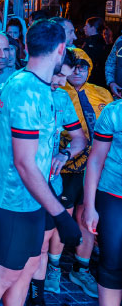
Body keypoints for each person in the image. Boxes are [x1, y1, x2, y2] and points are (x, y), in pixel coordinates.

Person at [0, 20, 83, 306]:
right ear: (61, 49)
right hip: (14, 200)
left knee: (26, 271)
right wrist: (60, 214)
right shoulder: (26, 89)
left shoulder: (33, 83)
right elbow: (24, 163)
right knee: (2, 276)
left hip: (30, 198)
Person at [44, 49, 109, 298]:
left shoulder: (102, 93)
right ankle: (53, 267)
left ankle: (81, 270)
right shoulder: (58, 92)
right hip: (68, 167)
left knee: (88, 219)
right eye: (76, 65)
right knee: (65, 215)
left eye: (84, 65)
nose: (80, 70)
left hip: (98, 168)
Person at [27, 48, 87, 305]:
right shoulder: (21, 90)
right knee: (14, 248)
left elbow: (79, 139)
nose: (63, 82)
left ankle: (36, 296)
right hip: (17, 185)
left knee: (41, 246)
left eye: (67, 76)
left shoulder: (62, 99)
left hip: (51, 183)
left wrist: (64, 154)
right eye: (60, 75)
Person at [82, 97, 122, 306]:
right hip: (113, 195)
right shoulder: (114, 111)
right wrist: (89, 206)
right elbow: (96, 159)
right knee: (111, 263)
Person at [81, 17, 108, 86]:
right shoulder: (100, 41)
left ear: (93, 28)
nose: (84, 28)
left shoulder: (95, 42)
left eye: (86, 26)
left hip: (92, 79)